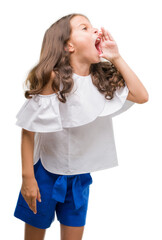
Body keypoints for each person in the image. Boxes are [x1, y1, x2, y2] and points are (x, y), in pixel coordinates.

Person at [13, 13, 149, 240]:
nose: (96, 30)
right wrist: (28, 178)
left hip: (79, 177)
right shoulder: (53, 78)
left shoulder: (100, 80)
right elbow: (28, 130)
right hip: (44, 174)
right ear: (68, 45)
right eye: (85, 28)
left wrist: (116, 57)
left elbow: (142, 96)